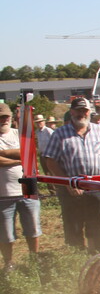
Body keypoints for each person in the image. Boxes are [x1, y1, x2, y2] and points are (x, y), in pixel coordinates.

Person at [42, 96, 100, 252]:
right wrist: (68, 183)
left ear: (89, 112)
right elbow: (50, 161)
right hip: (71, 190)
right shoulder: (60, 134)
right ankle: (76, 261)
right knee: (73, 227)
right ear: (72, 112)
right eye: (78, 110)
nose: (82, 114)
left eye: (85, 110)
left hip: (97, 187)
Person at [0, 104, 42, 270]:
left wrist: (5, 154)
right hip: (3, 193)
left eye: (5, 117)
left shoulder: (19, 134)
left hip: (28, 188)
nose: (3, 120)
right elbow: (22, 155)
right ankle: (8, 263)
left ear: (11, 118)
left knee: (33, 228)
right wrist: (20, 160)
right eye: (0, 117)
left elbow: (29, 151)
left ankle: (34, 258)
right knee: (6, 233)